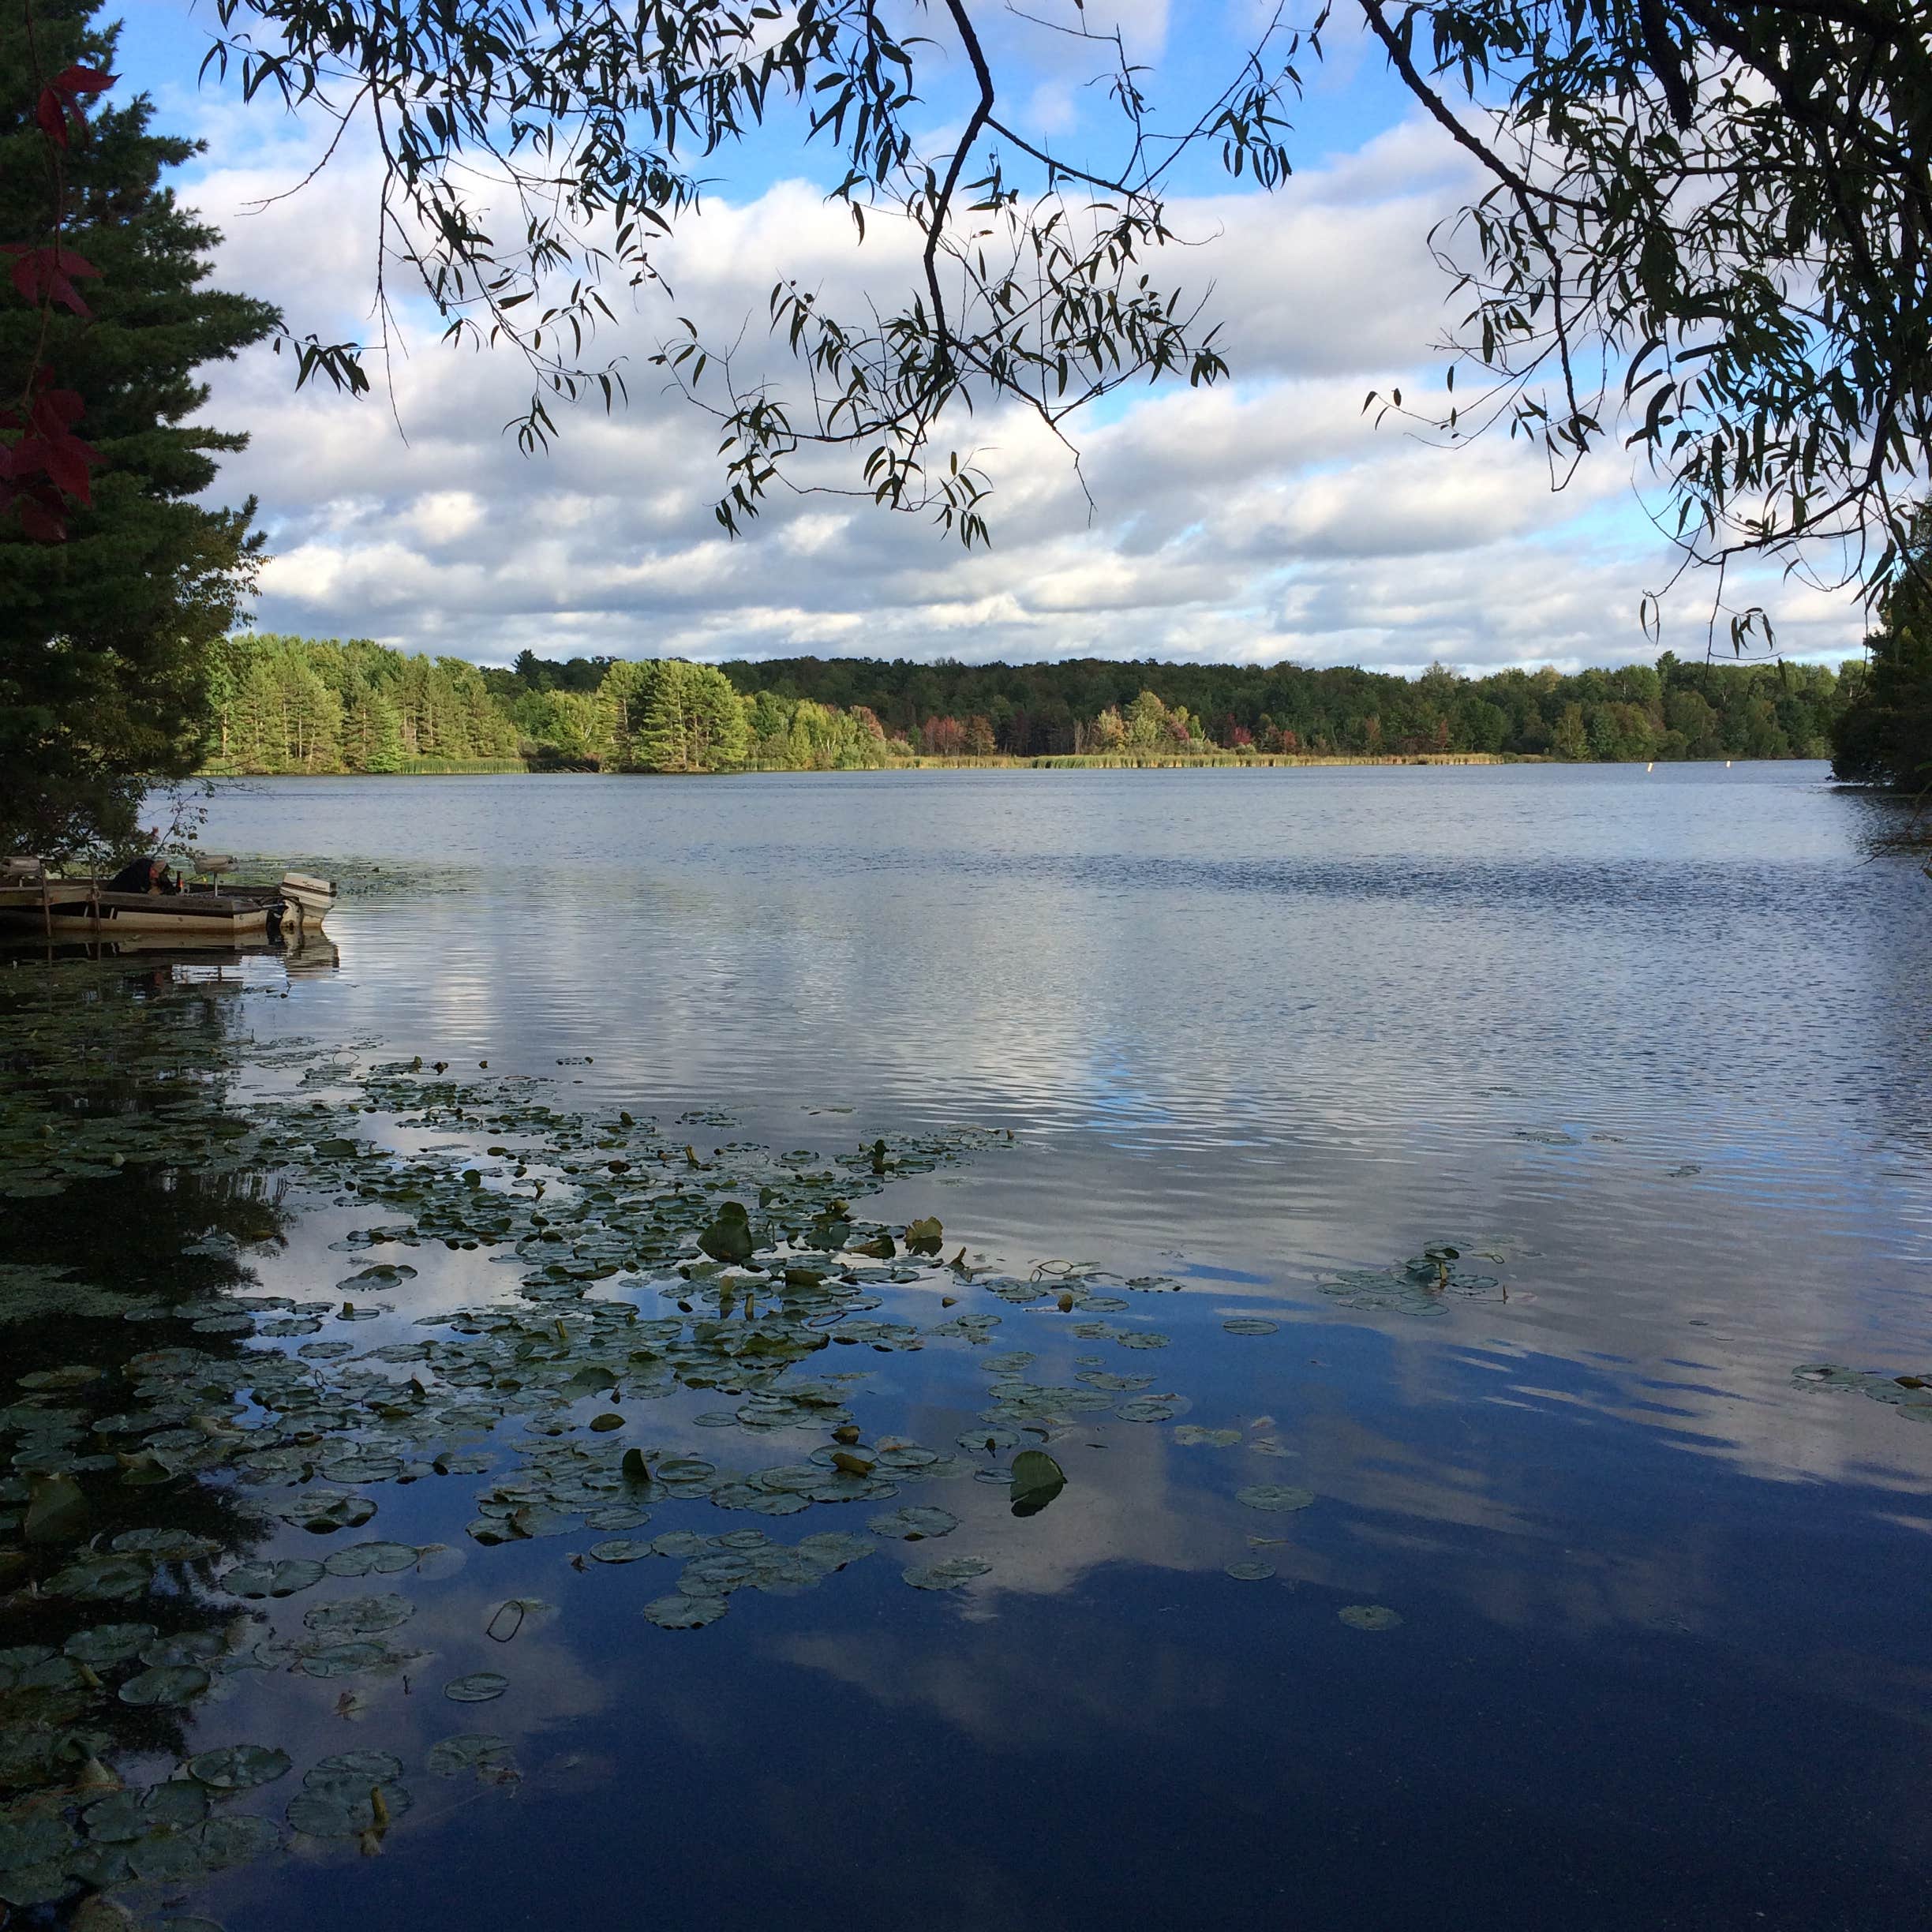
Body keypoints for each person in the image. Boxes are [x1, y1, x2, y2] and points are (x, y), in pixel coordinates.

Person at [105, 856, 180, 895]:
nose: (156, 876)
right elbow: (136, 892)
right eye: (155, 872)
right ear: (152, 869)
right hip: (117, 898)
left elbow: (168, 886)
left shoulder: (155, 873)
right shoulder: (136, 872)